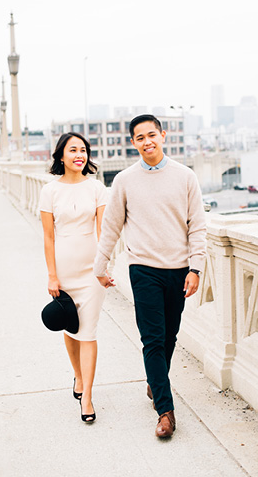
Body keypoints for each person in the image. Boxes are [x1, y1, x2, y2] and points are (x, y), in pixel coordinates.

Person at [93, 114, 206, 439]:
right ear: (133, 142)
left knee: (169, 337)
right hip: (143, 270)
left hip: (178, 270)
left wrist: (196, 267)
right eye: (140, 137)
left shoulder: (185, 177)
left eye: (152, 135)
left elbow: (197, 226)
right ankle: (166, 412)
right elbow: (111, 226)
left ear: (163, 136)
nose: (147, 142)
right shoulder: (125, 180)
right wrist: (100, 267)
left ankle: (154, 382)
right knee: (152, 340)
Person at [39, 132, 111, 424]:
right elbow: (47, 236)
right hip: (64, 272)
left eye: (83, 150)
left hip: (91, 272)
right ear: (61, 156)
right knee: (71, 328)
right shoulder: (50, 191)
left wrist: (103, 269)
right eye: (73, 150)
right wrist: (52, 276)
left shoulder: (97, 188)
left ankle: (89, 397)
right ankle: (78, 377)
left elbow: (103, 233)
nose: (79, 155)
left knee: (89, 332)